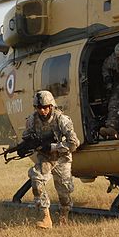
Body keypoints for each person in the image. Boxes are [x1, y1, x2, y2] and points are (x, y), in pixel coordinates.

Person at [25, 90, 80, 229]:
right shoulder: (32, 120)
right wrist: (26, 145)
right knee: (36, 178)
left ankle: (64, 216)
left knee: (64, 193)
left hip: (62, 158)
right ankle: (46, 218)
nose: (42, 110)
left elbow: (74, 143)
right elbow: (27, 137)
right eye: (39, 108)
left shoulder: (62, 119)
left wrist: (53, 147)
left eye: (45, 107)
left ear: (51, 106)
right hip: (45, 158)